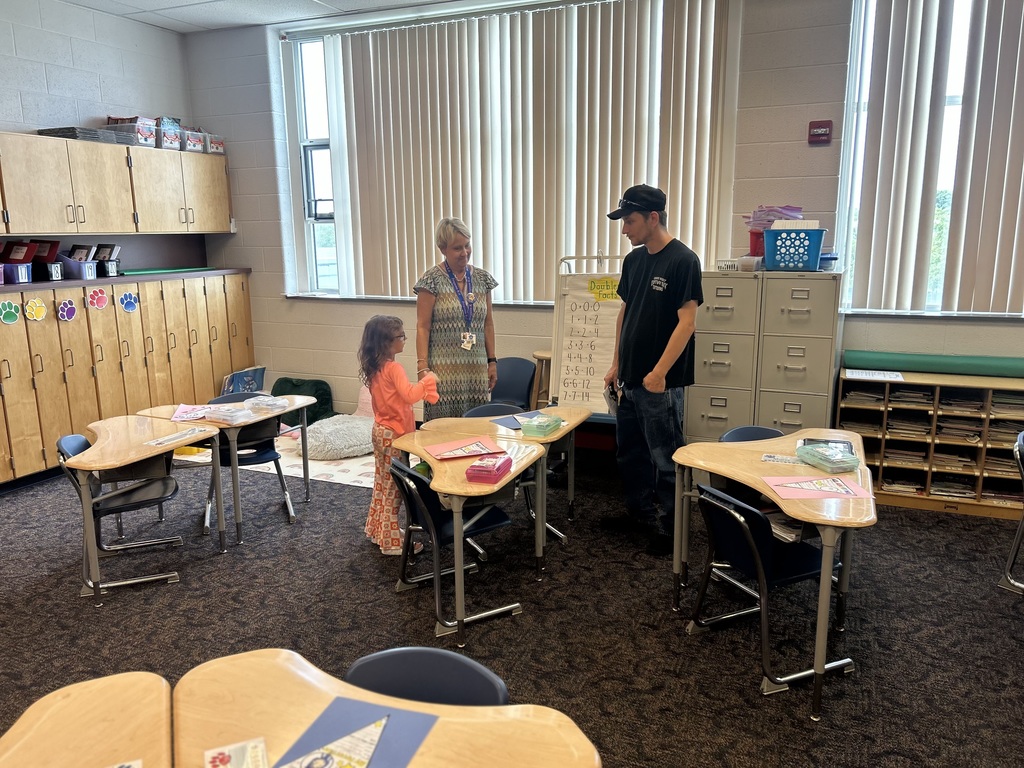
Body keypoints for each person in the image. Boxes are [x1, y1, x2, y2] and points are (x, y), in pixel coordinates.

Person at [601, 184, 704, 556]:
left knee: (665, 457)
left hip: (660, 383)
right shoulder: (635, 260)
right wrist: (616, 364)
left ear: (653, 218)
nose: (624, 229)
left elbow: (687, 322)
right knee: (630, 452)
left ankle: (671, 529)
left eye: (629, 221)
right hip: (630, 378)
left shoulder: (682, 260)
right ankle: (638, 513)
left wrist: (660, 372)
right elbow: (625, 313)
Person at [358, 315, 439, 555]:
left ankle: (379, 531)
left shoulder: (376, 367)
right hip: (394, 435)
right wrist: (429, 380)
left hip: (380, 431)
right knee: (396, 490)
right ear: (386, 342)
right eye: (400, 336)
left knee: (382, 485)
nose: (404, 340)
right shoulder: (394, 368)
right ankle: (391, 543)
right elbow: (410, 395)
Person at [414, 217, 499, 420]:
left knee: (476, 425)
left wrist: (492, 361)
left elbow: (488, 324)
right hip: (443, 371)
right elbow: (422, 327)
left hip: (475, 369)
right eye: (457, 248)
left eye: (467, 245)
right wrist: (422, 367)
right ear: (442, 249)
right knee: (443, 430)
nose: (465, 253)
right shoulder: (431, 281)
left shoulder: (482, 279)